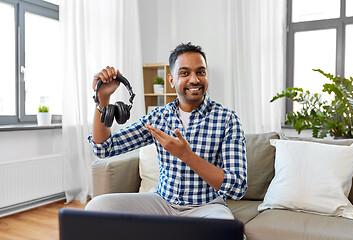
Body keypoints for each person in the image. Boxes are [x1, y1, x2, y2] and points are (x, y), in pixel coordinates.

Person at [86, 42, 247, 220]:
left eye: (200, 72)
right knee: (97, 207)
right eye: (185, 73)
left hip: (207, 207)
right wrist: (103, 99)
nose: (194, 79)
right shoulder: (158, 117)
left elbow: (237, 187)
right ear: (171, 80)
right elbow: (103, 148)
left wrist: (187, 156)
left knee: (226, 228)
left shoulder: (227, 120)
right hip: (162, 203)